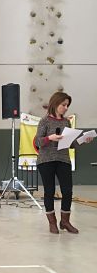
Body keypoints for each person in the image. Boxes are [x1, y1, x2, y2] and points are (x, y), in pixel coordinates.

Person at [35, 91, 94, 234]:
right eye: (64, 105)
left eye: (67, 105)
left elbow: (71, 144)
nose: (66, 108)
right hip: (46, 160)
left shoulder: (66, 122)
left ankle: (65, 222)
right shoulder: (44, 121)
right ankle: (52, 223)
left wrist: (83, 140)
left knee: (67, 191)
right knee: (49, 191)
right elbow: (37, 141)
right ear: (55, 104)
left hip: (63, 159)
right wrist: (50, 138)